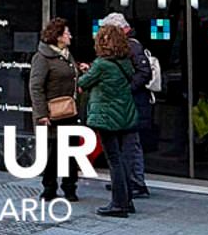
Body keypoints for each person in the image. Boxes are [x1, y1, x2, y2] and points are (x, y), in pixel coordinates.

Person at [78, 17, 140, 218]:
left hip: (107, 116)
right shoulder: (125, 62)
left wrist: (86, 72)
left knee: (114, 160)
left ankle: (118, 204)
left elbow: (83, 83)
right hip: (125, 114)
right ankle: (127, 200)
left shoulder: (101, 64)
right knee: (123, 158)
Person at [28, 17, 81, 202]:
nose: (70, 36)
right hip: (52, 113)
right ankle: (49, 187)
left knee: (70, 150)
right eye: (67, 33)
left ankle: (70, 186)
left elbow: (70, 76)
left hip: (69, 110)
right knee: (51, 152)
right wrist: (41, 114)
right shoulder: (42, 58)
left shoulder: (66, 55)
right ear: (58, 36)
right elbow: (36, 87)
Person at [114, 14, 154, 200]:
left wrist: (126, 89)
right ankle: (126, 180)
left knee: (131, 143)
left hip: (134, 101)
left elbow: (144, 73)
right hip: (131, 101)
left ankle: (136, 182)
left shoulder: (132, 46)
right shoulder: (127, 45)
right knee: (126, 142)